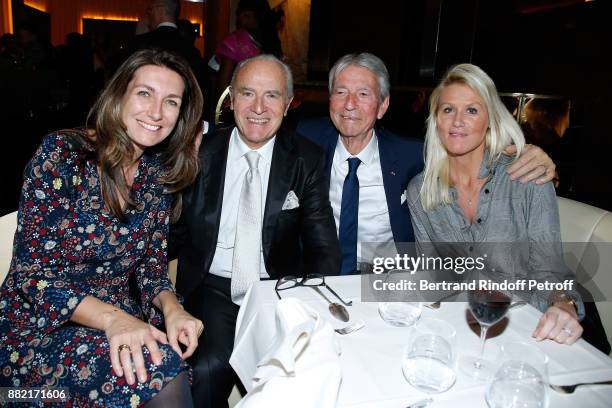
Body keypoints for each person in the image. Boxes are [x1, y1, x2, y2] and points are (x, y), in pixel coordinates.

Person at [0, 49, 204, 406]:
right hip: (35, 336)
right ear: (119, 95)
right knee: (160, 369)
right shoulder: (62, 155)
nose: (157, 113)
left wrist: (173, 308)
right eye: (145, 93)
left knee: (164, 362)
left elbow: (151, 270)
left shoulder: (156, 175)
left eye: (170, 101)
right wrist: (116, 321)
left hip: (117, 321)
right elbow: (31, 278)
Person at [169, 54, 340, 408]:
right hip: (213, 290)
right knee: (206, 370)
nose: (258, 107)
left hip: (278, 294)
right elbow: (172, 234)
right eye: (247, 93)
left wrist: (314, 306)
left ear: (289, 103)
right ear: (231, 99)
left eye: (272, 95)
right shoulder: (200, 153)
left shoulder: (306, 158)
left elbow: (323, 246)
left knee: (300, 377)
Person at [296, 53, 557, 275]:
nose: (349, 104)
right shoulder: (303, 140)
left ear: (382, 106)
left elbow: (462, 147)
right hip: (319, 280)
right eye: (340, 92)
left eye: (363, 94)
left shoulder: (412, 156)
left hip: (383, 281)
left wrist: (534, 156)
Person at [407, 63, 584, 345]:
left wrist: (563, 305)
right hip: (463, 324)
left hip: (532, 328)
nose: (457, 121)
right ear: (436, 119)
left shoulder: (527, 177)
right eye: (448, 109)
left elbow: (551, 273)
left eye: (472, 110)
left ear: (490, 119)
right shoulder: (421, 191)